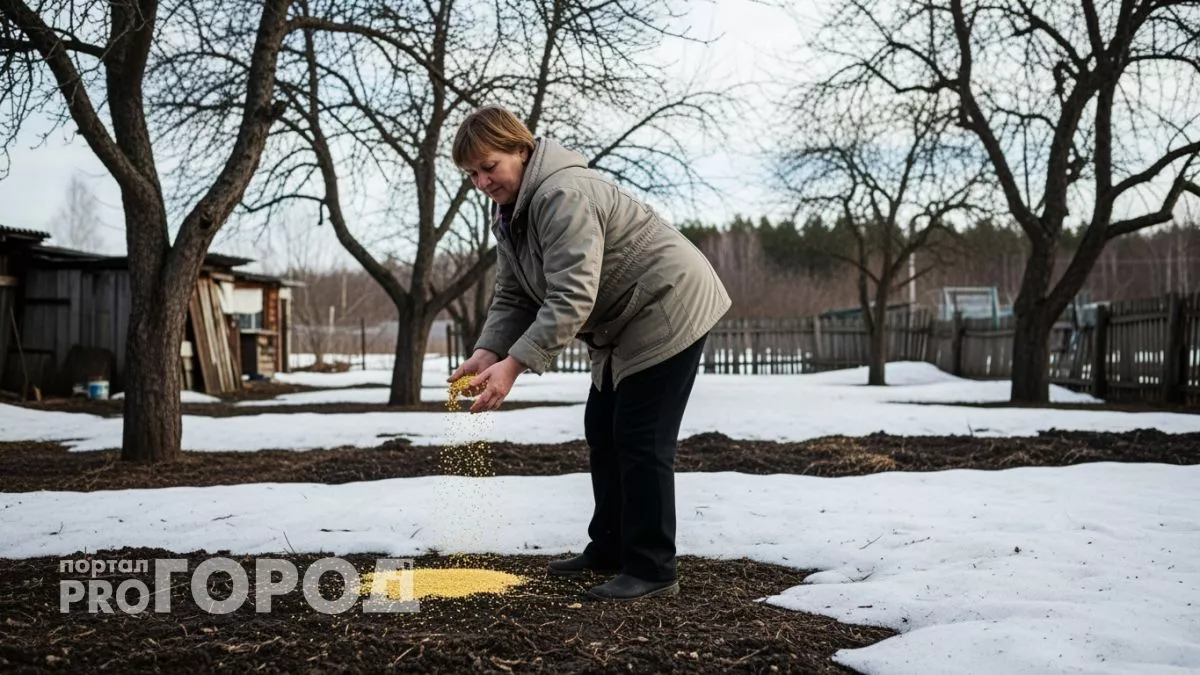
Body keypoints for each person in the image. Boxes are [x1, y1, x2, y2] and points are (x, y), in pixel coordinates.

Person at [448, 106, 730, 601]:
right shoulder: (512, 213)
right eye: (472, 174)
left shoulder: (561, 194)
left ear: (521, 148)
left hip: (667, 304)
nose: (481, 182)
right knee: (603, 429)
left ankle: (652, 568)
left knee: (641, 437)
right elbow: (514, 294)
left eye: (488, 166)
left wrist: (513, 366)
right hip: (624, 319)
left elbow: (572, 295)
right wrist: (487, 351)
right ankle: (611, 547)